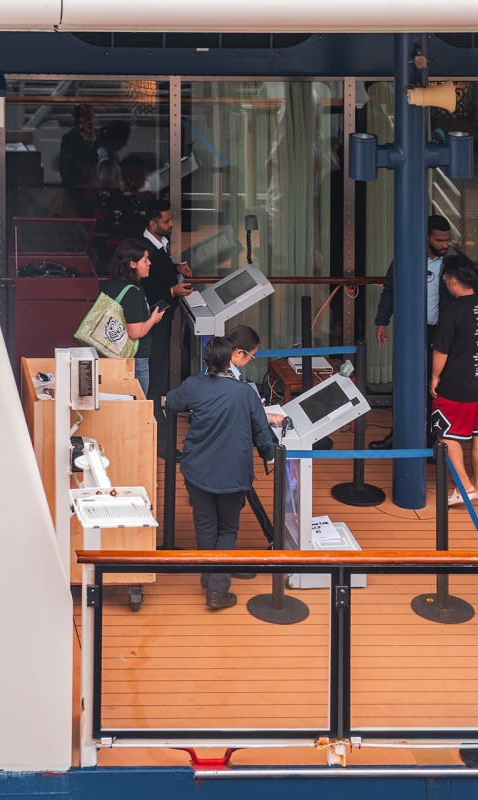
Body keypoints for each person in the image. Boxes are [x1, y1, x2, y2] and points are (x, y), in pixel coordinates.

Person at [165, 337, 276, 610]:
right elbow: (261, 430)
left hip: (197, 469)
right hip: (233, 472)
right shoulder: (245, 393)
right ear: (229, 362)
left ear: (206, 361)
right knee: (227, 528)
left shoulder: (194, 386)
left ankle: (209, 573)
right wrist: (268, 455)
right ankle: (217, 589)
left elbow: (172, 403)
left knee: (205, 526)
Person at [370, 214, 478, 449]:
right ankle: (397, 435)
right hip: (412, 331)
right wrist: (382, 321)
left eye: (447, 239)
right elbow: (390, 288)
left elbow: (472, 297)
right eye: (439, 240)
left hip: (444, 333)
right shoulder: (407, 256)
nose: (445, 244)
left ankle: (432, 438)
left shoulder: (456, 261)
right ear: (426, 238)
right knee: (404, 381)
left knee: (436, 384)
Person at [429, 253, 478, 505]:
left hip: (457, 387)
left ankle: (466, 486)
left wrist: (434, 377)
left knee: (446, 434)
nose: (446, 283)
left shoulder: (452, 311)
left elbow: (442, 350)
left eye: (446, 279)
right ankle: (476, 485)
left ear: (454, 280)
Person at [140, 201, 193, 456]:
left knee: (157, 372)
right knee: (155, 372)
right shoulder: (145, 249)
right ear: (152, 224)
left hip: (162, 318)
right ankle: (159, 440)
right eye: (166, 221)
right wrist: (172, 290)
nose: (171, 225)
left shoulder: (158, 246)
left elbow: (158, 272)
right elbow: (146, 288)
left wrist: (176, 269)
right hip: (154, 322)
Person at [105, 238, 165, 395]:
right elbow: (135, 332)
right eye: (145, 260)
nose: (149, 263)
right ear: (133, 264)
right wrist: (153, 319)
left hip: (117, 356)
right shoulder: (132, 292)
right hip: (134, 360)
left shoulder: (115, 284)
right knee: (137, 406)